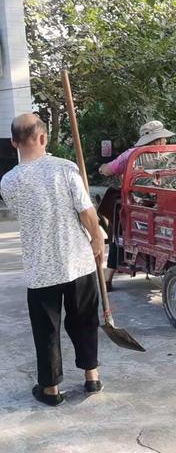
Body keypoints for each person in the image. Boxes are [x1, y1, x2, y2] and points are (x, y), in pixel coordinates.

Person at [0, 113, 105, 407]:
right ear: (43, 138)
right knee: (84, 321)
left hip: (41, 270)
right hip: (78, 262)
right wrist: (97, 239)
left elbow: (24, 214)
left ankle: (50, 390)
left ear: (13, 142)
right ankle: (91, 377)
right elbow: (86, 213)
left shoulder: (8, 182)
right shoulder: (66, 168)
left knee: (47, 330)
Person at [99, 120, 175, 291]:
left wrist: (101, 168)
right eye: (163, 138)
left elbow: (108, 170)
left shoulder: (130, 155)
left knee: (115, 229)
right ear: (157, 140)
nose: (165, 142)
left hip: (138, 205)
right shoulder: (172, 155)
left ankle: (107, 279)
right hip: (167, 204)